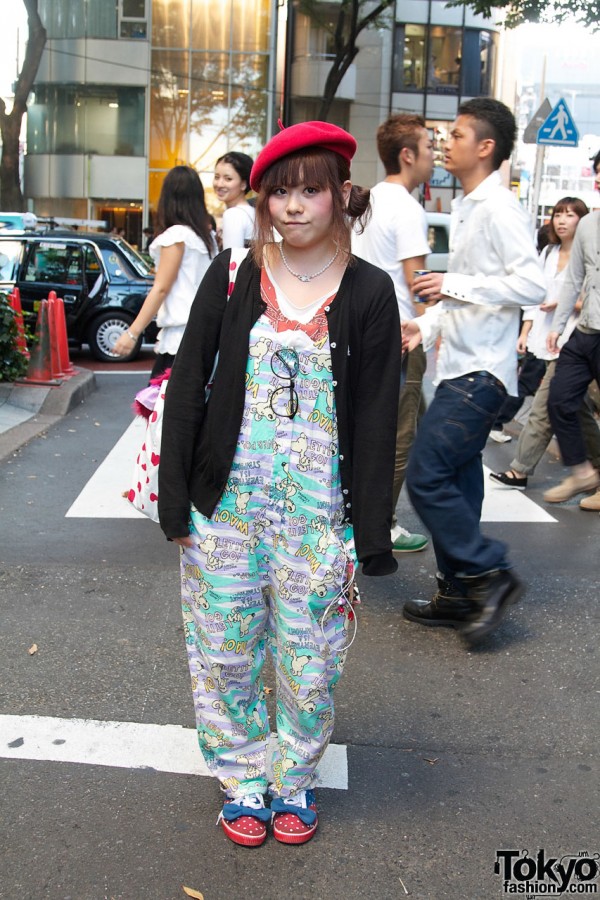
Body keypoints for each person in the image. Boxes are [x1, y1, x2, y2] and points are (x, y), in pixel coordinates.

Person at [157, 122, 401, 847]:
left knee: (309, 661)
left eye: (311, 190)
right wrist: (177, 505)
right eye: (280, 192)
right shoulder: (232, 274)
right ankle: (242, 777)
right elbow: (188, 393)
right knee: (226, 653)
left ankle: (294, 778)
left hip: (319, 519)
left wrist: (368, 533)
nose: (294, 206)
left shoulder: (370, 291)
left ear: (340, 196)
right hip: (225, 511)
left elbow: (376, 417)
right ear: (263, 202)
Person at [400, 98, 546, 646]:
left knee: (426, 475)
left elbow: (533, 286)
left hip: (481, 373)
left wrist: (452, 286)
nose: (446, 143)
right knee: (458, 486)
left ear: (485, 147)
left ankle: (491, 572)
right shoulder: (469, 207)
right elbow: (473, 292)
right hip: (461, 366)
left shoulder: (497, 208)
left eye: (457, 135)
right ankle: (460, 594)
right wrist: (428, 325)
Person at [352, 113, 433, 554]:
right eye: (429, 147)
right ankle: (378, 524)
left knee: (379, 427)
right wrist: (429, 330)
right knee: (400, 435)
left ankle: (361, 514)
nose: (434, 155)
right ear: (408, 155)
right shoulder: (405, 207)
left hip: (361, 334)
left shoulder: (365, 201)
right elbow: (417, 283)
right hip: (400, 334)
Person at [490, 197, 600, 490]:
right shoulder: (549, 252)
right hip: (550, 337)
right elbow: (535, 297)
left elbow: (587, 293)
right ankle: (592, 468)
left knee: (546, 404)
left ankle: (521, 469)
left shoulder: (590, 242)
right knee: (570, 405)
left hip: (576, 336)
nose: (562, 220)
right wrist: (526, 332)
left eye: (570, 214)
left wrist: (568, 309)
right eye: (558, 214)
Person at [113, 165, 217, 377]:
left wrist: (132, 333)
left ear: (168, 198)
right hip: (202, 333)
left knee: (160, 405)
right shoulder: (206, 238)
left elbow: (161, 289)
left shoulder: (176, 236)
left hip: (180, 337)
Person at [544, 150, 600, 507]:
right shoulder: (589, 225)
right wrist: (559, 325)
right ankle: (582, 473)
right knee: (560, 399)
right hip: (586, 332)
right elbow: (574, 279)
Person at [213, 151, 256, 249]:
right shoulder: (252, 212)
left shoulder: (233, 214)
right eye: (217, 177)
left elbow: (232, 261)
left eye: (228, 179)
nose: (219, 184)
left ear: (243, 184)